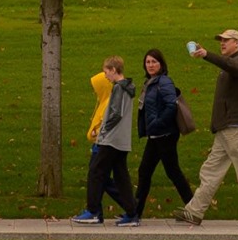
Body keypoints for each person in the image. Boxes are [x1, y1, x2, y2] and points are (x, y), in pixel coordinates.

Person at [177, 28, 238, 227]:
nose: (222, 43)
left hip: (235, 127)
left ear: (237, 43)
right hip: (225, 128)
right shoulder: (230, 66)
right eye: (221, 40)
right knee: (210, 170)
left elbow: (232, 66)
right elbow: (228, 66)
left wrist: (206, 54)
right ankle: (194, 212)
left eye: (226, 40)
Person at [73, 56, 140, 225]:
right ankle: (132, 212)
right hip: (122, 140)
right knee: (120, 176)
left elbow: (115, 113)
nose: (105, 76)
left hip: (111, 139)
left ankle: (93, 211)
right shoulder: (129, 88)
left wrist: (103, 130)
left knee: (96, 171)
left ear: (114, 70)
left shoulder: (118, 88)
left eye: (106, 72)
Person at [133, 48, 193, 216]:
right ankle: (135, 212)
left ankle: (194, 208)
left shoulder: (164, 82)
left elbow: (171, 105)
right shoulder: (150, 83)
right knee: (149, 171)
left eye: (154, 62)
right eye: (148, 62)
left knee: (169, 172)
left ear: (161, 64)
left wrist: (158, 123)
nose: (150, 65)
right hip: (156, 135)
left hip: (164, 135)